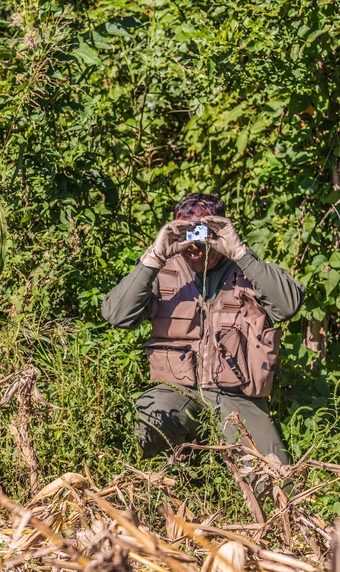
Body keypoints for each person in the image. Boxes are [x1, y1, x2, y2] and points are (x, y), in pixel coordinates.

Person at [102, 193, 304, 464]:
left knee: (276, 480)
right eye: (185, 233)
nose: (194, 245)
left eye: (202, 232)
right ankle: (177, 478)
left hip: (238, 399)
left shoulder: (250, 269)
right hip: (175, 391)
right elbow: (117, 315)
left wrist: (241, 252)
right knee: (149, 424)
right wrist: (154, 256)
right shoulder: (160, 270)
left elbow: (288, 306)